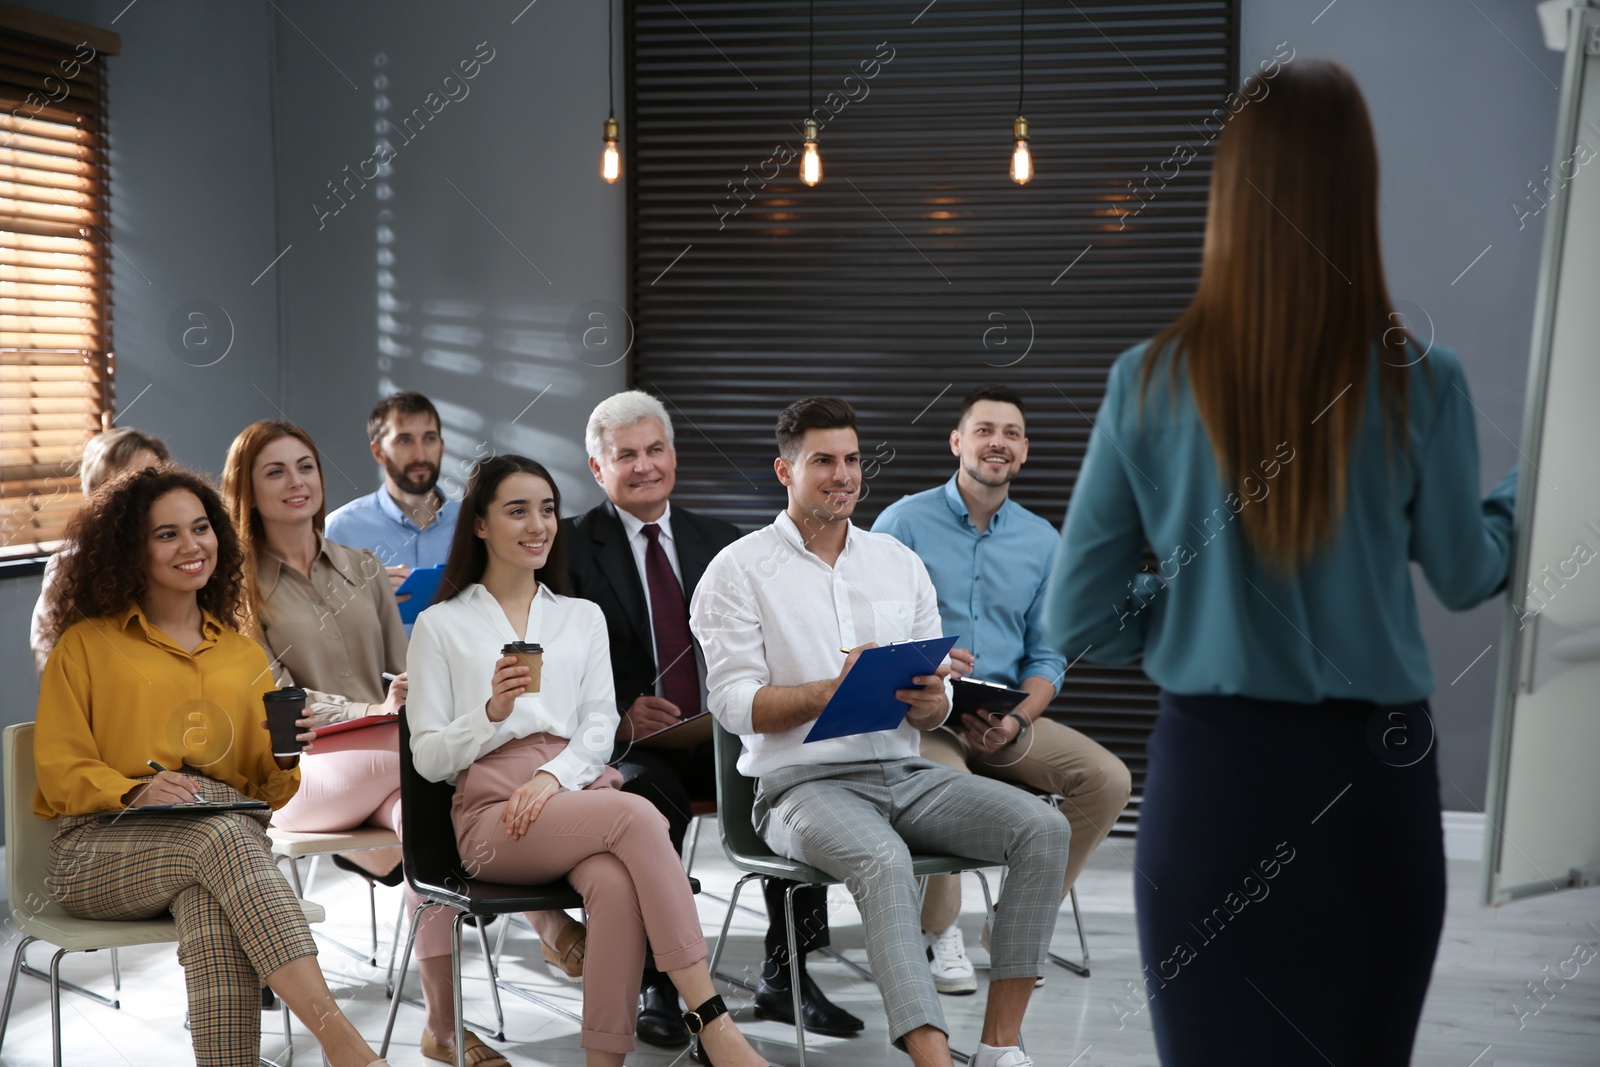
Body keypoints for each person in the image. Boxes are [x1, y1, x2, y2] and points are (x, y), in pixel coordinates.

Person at [1041, 60, 1517, 1066]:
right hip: (1371, 784)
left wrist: (1179, 602)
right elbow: (1469, 573)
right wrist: (1531, 504)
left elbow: (1077, 614)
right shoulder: (1421, 382)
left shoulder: (1147, 380)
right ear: (1357, 191)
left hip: (1212, 785)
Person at [690, 397, 1070, 1067]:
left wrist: (933, 701)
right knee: (884, 858)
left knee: (1045, 828)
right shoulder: (737, 570)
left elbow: (933, 703)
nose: (843, 474)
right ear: (786, 469)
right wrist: (829, 690)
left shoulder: (896, 561)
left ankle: (999, 1048)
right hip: (798, 787)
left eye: (852, 459)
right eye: (823, 461)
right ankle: (931, 1059)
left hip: (907, 770)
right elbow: (733, 704)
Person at [406, 454, 777, 1067]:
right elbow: (427, 758)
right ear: (479, 525)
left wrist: (552, 778)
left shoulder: (580, 616)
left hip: (568, 791)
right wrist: (491, 714)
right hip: (492, 815)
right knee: (635, 816)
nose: (539, 525)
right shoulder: (441, 625)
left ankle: (603, 1059)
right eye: (517, 510)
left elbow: (600, 726)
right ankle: (714, 1022)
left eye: (548, 509)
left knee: (612, 882)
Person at [32, 465, 391, 1067]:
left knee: (213, 898)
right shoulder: (86, 645)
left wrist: (285, 755)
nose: (191, 545)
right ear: (131, 549)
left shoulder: (242, 653)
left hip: (213, 849)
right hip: (95, 850)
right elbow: (59, 769)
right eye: (166, 534)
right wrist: (135, 793)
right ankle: (345, 1046)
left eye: (200, 528)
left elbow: (265, 792)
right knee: (222, 840)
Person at [564, 390, 859, 1046]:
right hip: (633, 744)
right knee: (647, 801)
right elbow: (553, 665)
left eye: (656, 449)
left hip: (727, 729)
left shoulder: (721, 541)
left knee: (805, 776)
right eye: (626, 456)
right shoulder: (569, 549)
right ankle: (657, 982)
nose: (645, 466)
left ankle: (788, 974)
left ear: (674, 455)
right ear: (596, 467)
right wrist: (614, 717)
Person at [874, 384, 1130, 995]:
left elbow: (1048, 653)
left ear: (1023, 452)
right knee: (954, 788)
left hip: (1000, 718)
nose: (999, 442)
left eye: (1012, 433)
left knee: (1108, 779)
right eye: (985, 429)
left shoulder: (1043, 541)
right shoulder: (902, 522)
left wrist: (1017, 720)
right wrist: (929, 664)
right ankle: (939, 934)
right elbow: (869, 635)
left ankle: (1012, 922)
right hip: (919, 715)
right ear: (958, 442)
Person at [221, 420, 408, 887]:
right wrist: (374, 709)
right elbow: (278, 699)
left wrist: (413, 692)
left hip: (386, 760)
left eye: (305, 467)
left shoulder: (364, 566)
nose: (296, 481)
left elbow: (405, 669)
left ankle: (541, 932)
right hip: (299, 771)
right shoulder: (233, 591)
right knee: (443, 759)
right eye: (276, 472)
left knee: (421, 826)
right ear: (247, 489)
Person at [30, 426, 170, 673]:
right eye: (130, 482)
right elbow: (51, 660)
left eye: (154, 478)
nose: (145, 495)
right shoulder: (69, 565)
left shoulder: (177, 553)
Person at [325, 390, 462, 604]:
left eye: (429, 439)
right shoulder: (340, 529)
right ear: (379, 452)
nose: (420, 455)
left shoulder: (472, 524)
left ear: (442, 447)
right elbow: (321, 617)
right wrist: (365, 595)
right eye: (404, 440)